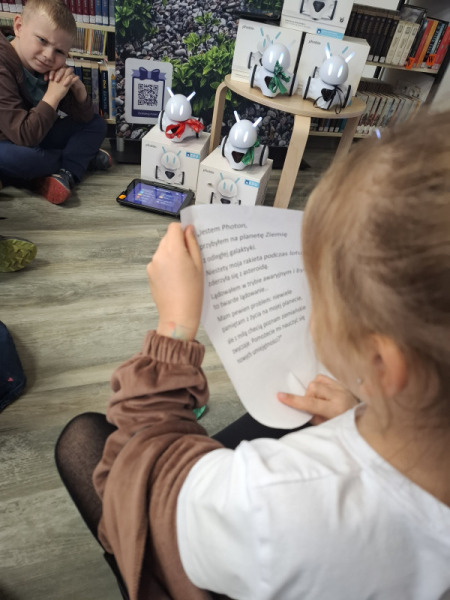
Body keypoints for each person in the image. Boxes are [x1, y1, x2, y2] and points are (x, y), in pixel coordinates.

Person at [55, 108, 450, 600]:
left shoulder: (279, 503)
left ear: (384, 365)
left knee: (81, 439)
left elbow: (147, 487)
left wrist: (174, 330)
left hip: (221, 543)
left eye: (316, 295)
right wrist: (362, 415)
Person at [0, 0, 111, 205]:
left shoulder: (44, 65)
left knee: (96, 124)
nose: (48, 56)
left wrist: (79, 93)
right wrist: (52, 96)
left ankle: (63, 172)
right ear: (19, 27)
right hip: (8, 143)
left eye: (59, 51)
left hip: (36, 134)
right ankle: (75, 161)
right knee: (29, 159)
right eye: (42, 40)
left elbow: (84, 118)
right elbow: (24, 135)